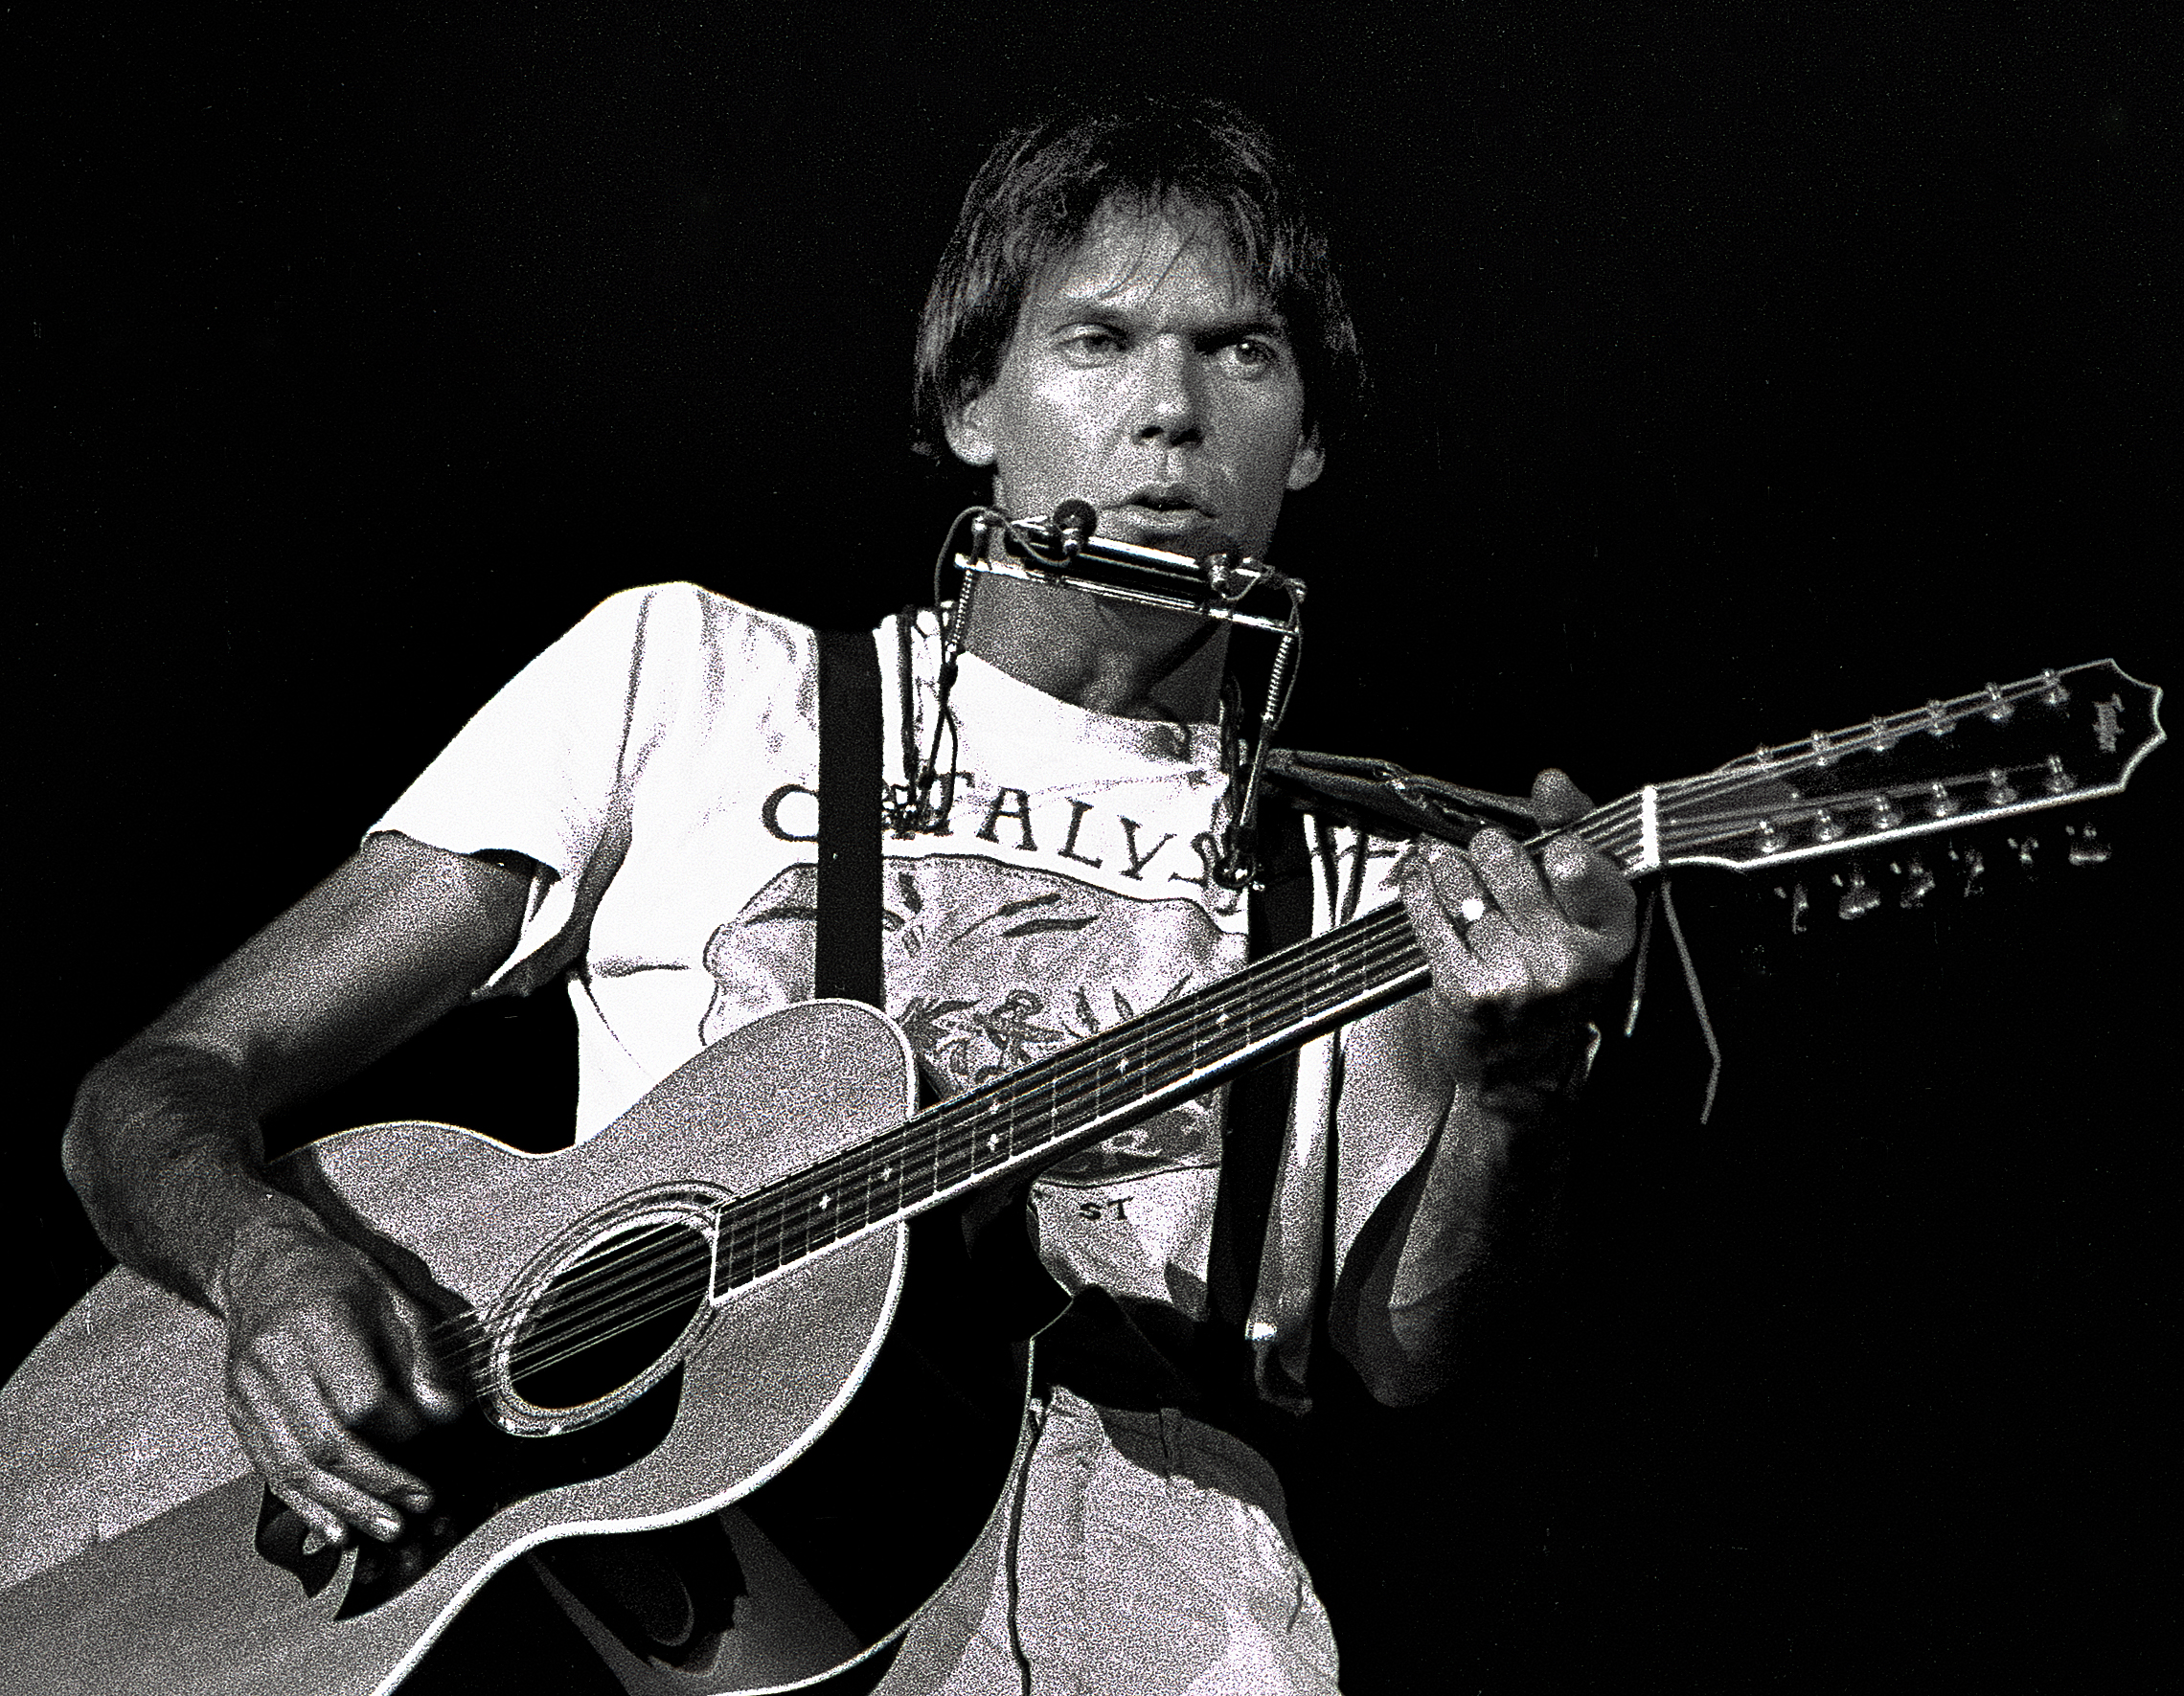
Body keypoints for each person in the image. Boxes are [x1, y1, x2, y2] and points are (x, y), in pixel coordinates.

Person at [57, 100, 1635, 1693]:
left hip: (1169, 1605)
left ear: (1307, 438)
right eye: (1098, 341)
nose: (1171, 413)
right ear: (972, 401)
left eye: (1241, 352)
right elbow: (154, 1090)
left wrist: (1520, 1097)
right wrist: (267, 1268)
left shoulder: (1366, 883)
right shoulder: (693, 680)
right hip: (685, 1579)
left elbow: (1407, 1347)